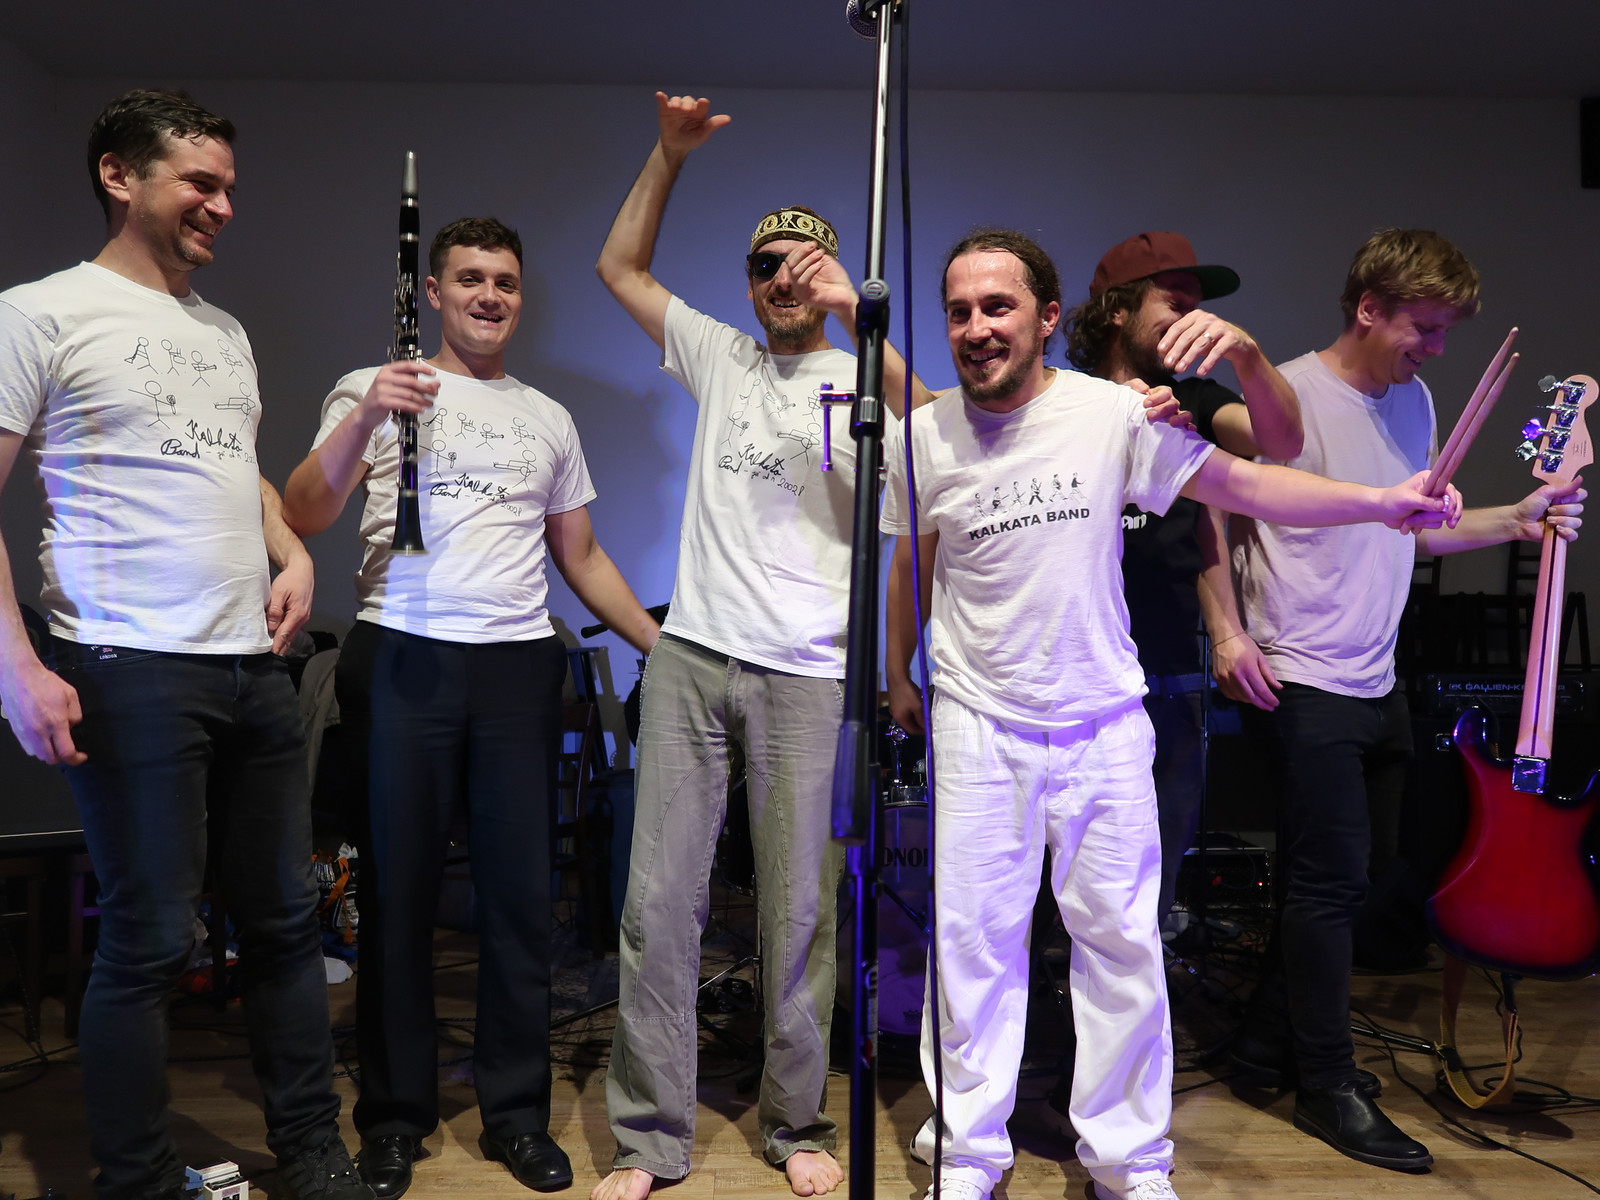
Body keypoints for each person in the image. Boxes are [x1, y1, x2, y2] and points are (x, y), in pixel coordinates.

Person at [882, 229, 1462, 1200]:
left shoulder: (1113, 413)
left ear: (1046, 318)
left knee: (1121, 949)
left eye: (998, 306)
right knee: (974, 950)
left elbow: (1244, 482)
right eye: (959, 311)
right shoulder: (921, 438)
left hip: (1105, 720)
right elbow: (912, 561)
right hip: (979, 725)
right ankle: (968, 1156)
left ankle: (1129, 1162)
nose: (976, 327)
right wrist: (897, 667)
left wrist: (1376, 502)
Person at [0, 89, 370, 1200]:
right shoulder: (39, 313)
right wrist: (17, 668)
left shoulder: (224, 331)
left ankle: (312, 1154)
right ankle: (139, 1180)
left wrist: (290, 550)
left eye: (229, 188)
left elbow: (228, 465)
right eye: (199, 183)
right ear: (120, 176)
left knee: (286, 926)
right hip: (127, 666)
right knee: (153, 939)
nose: (222, 206)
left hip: (252, 669)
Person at [589, 92, 928, 1200]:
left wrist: (859, 322)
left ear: (832, 281)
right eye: (767, 266)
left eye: (805, 264)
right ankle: (649, 1138)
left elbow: (937, 441)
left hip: (810, 673)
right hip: (694, 658)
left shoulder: (863, 380)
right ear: (747, 286)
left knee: (799, 913)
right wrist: (668, 155)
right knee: (658, 907)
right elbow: (620, 269)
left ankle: (797, 1121)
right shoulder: (724, 357)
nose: (784, 279)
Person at [283, 216, 659, 1196]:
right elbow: (303, 510)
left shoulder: (547, 418)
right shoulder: (372, 391)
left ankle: (517, 1116)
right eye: (470, 279)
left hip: (515, 668)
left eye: (505, 282)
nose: (490, 296)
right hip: (401, 654)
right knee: (397, 898)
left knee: (521, 903)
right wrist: (367, 414)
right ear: (434, 292)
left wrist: (660, 646)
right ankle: (394, 1118)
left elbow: (580, 555)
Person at [1224, 227, 1585, 1171]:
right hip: (1302, 675)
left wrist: (1515, 519)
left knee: (1372, 875)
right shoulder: (1289, 397)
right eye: (1423, 327)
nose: (1435, 348)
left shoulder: (1414, 402)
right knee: (1327, 885)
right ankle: (1326, 1083)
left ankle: (1263, 1050)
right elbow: (1219, 498)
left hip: (1375, 676)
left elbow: (1411, 531)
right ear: (1368, 309)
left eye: (1444, 331)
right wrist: (1228, 631)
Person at [1063, 230, 1303, 933]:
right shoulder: (1062, 400)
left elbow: (1279, 443)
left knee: (1149, 882)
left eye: (1200, 305)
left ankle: (1142, 990)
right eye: (1176, 300)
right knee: (1059, 884)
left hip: (1166, 677)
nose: (1193, 316)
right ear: (1117, 309)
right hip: (1069, 679)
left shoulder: (1196, 398)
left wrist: (1246, 354)